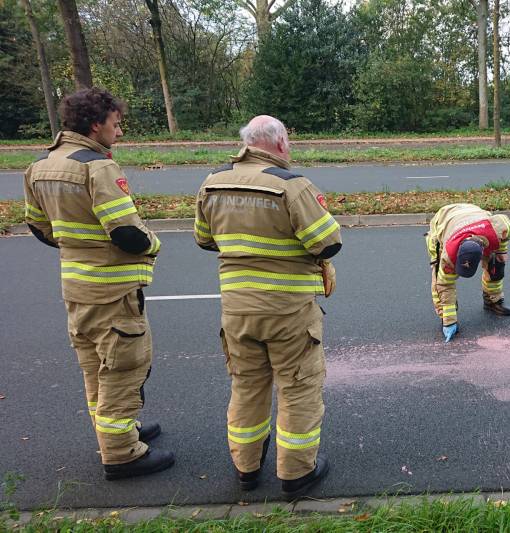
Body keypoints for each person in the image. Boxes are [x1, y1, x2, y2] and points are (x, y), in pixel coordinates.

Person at [23, 88, 175, 480]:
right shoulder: (98, 167)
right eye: (116, 123)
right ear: (96, 125)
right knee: (124, 367)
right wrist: (154, 244)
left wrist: (78, 249)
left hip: (76, 287)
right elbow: (126, 232)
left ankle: (116, 432)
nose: (120, 132)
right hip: (113, 292)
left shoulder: (40, 166)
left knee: (95, 367)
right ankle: (123, 454)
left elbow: (38, 227)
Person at [194, 115, 342, 499]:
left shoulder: (213, 182)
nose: (289, 149)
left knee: (246, 386)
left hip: (237, 311)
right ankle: (295, 475)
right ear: (277, 143)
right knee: (298, 388)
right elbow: (327, 242)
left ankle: (247, 469)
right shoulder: (290, 186)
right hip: (288, 311)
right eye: (288, 142)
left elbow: (204, 239)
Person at [426, 203, 510, 342]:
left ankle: (492, 301)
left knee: (496, 264)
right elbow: (445, 285)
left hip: (475, 216)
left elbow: (506, 226)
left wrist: (501, 250)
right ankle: (444, 316)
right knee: (439, 277)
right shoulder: (448, 255)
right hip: (443, 221)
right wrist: (449, 320)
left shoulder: (496, 229)